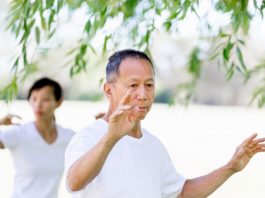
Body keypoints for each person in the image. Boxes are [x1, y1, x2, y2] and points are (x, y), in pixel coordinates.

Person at [64, 49, 265, 198]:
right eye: (133, 85)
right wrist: (110, 138)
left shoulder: (153, 145)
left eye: (149, 85)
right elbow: (74, 183)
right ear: (108, 91)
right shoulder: (88, 137)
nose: (143, 95)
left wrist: (230, 167)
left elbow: (181, 193)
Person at [0, 77, 75, 198]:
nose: (38, 104)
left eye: (45, 99)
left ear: (59, 102)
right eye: (34, 99)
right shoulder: (19, 134)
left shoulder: (68, 137)